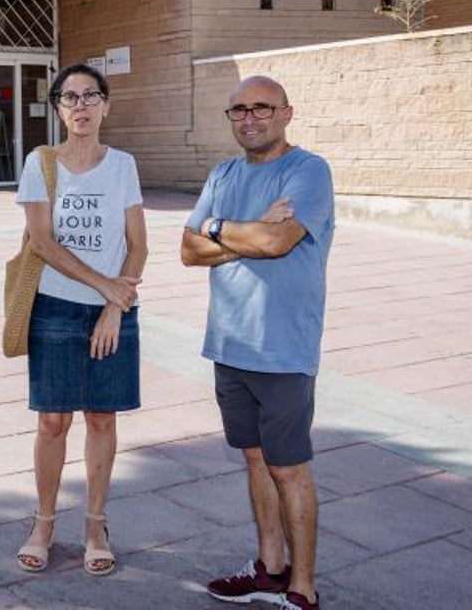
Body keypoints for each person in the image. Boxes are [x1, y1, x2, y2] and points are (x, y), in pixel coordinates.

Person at [181, 75, 334, 610]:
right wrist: (240, 230)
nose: (250, 118)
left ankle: (302, 589)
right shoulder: (223, 173)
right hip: (230, 343)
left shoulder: (308, 170)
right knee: (254, 458)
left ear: (286, 113)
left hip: (282, 348)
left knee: (288, 467)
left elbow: (275, 242)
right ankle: (270, 569)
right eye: (239, 109)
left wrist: (216, 227)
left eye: (262, 108)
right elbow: (188, 250)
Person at [12, 63, 147, 577]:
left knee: (102, 418)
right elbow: (42, 242)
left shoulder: (123, 165)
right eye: (70, 98)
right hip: (55, 307)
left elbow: (138, 245)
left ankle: (95, 526)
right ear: (58, 109)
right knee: (52, 422)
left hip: (112, 311)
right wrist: (103, 283)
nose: (81, 106)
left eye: (91, 96)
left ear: (106, 105)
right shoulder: (41, 163)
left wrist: (114, 303)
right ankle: (44, 523)